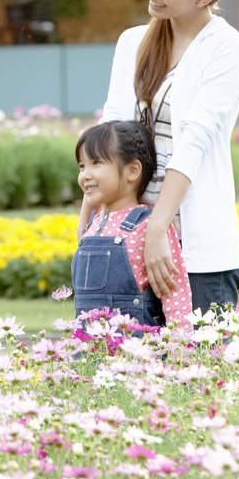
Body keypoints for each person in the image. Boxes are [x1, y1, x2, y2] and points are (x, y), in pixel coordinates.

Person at [81, 0, 239, 315]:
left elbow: (194, 143)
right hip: (126, 241)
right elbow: (111, 137)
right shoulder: (132, 43)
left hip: (197, 252)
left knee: (203, 371)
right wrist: (90, 215)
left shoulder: (226, 48)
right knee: (124, 370)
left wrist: (159, 226)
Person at [73, 120, 191, 327]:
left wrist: (179, 348)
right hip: (90, 349)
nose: (85, 175)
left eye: (96, 163)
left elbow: (175, 294)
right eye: (82, 166)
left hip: (137, 352)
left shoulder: (148, 225)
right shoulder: (92, 225)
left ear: (133, 170)